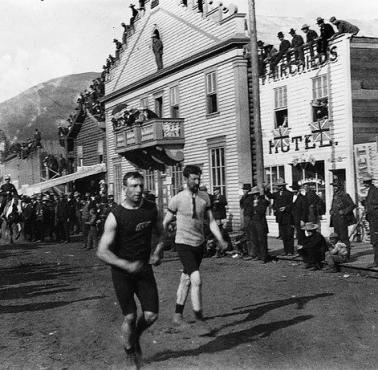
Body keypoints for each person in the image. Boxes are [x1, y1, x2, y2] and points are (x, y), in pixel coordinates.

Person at [97, 171, 164, 368]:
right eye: (133, 186)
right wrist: (126, 265)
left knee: (151, 315)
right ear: (124, 189)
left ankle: (135, 337)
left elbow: (162, 233)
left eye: (141, 185)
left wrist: (158, 251)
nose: (138, 190)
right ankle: (129, 351)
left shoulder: (151, 209)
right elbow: (102, 252)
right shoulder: (115, 215)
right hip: (122, 272)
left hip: (143, 269)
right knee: (130, 316)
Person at [162, 165, 228, 333]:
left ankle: (177, 315)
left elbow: (211, 221)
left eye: (199, 178)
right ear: (186, 179)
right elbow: (165, 222)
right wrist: (159, 243)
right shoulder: (177, 199)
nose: (197, 182)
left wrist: (220, 238)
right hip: (183, 243)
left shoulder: (204, 197)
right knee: (196, 279)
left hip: (199, 244)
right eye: (194, 179)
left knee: (186, 278)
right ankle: (200, 320)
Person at [266, 178, 295, 256]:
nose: (279, 187)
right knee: (284, 235)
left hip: (288, 217)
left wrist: (285, 208)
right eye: (278, 186)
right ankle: (286, 251)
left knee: (289, 235)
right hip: (280, 218)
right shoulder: (277, 194)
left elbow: (292, 204)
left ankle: (290, 251)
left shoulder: (289, 193)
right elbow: (270, 196)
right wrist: (266, 189)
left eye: (281, 186)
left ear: (284, 186)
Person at [330, 179, 356, 259]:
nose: (334, 188)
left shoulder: (345, 195)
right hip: (335, 219)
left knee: (344, 238)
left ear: (340, 187)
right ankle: (339, 254)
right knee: (336, 237)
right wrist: (331, 211)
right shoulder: (334, 195)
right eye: (334, 186)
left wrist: (344, 211)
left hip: (342, 219)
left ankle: (346, 255)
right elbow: (333, 206)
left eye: (336, 186)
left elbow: (352, 205)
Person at [246, 186, 270, 263]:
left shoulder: (263, 201)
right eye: (253, 194)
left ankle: (264, 257)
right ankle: (257, 255)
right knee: (254, 239)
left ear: (258, 194)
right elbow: (248, 211)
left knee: (261, 240)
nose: (254, 196)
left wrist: (255, 207)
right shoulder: (251, 202)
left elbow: (261, 211)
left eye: (256, 194)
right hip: (253, 221)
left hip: (260, 222)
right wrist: (253, 208)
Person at [361, 173, 378, 268]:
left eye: (365, 182)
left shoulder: (375, 191)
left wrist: (369, 206)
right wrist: (364, 202)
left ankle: (376, 262)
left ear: (368, 182)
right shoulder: (371, 191)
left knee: (376, 241)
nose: (364, 184)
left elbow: (374, 204)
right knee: (374, 241)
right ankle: (376, 261)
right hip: (372, 219)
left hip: (376, 220)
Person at [291, 184, 309, 251]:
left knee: (301, 234)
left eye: (295, 189)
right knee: (296, 235)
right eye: (293, 189)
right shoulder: (292, 197)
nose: (294, 191)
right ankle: (299, 249)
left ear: (298, 190)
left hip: (299, 219)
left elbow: (305, 210)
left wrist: (302, 220)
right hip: (293, 219)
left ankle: (302, 249)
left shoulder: (303, 198)